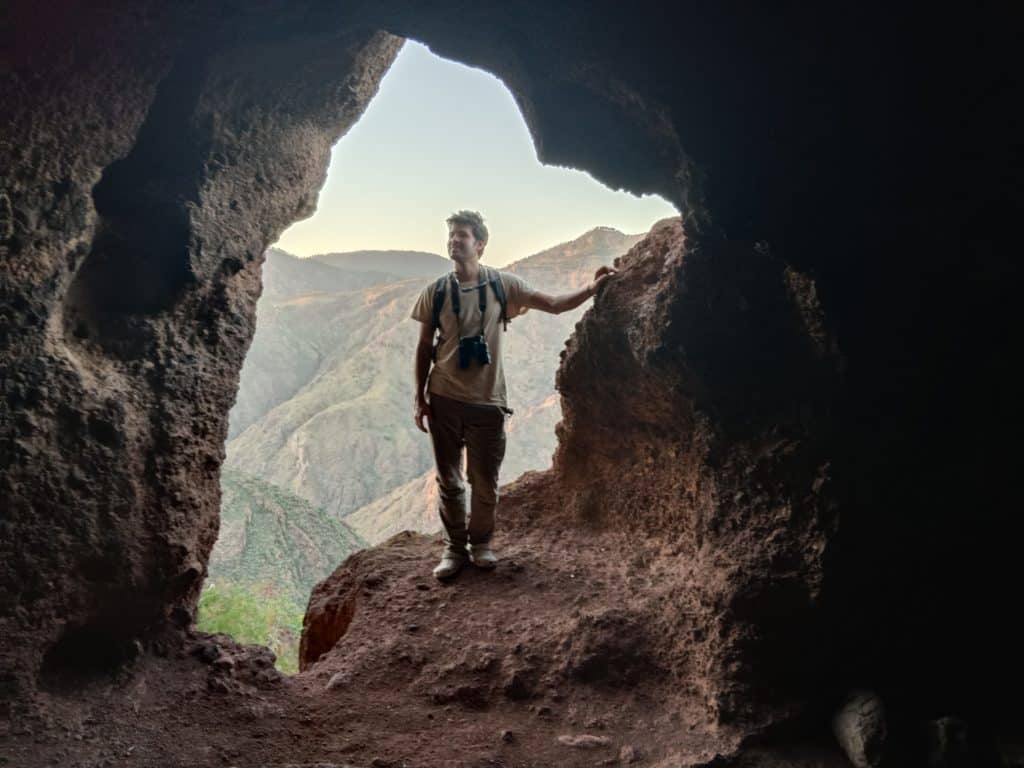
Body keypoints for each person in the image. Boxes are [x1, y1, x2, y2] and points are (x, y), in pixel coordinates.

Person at [410, 210, 616, 580]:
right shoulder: (437, 291)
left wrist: (590, 289)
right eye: (452, 235)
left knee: (484, 481)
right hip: (443, 398)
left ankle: (481, 544)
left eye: (463, 235)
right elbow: (424, 347)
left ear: (481, 244)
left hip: (488, 402)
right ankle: (454, 549)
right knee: (449, 481)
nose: (455, 240)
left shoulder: (502, 286)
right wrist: (419, 397)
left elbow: (553, 304)